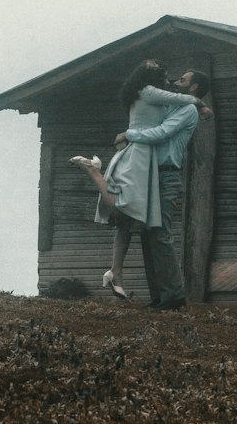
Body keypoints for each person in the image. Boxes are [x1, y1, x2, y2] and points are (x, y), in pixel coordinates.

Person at [69, 60, 211, 303]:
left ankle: (172, 298)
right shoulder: (169, 105)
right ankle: (158, 298)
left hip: (166, 175)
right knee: (147, 233)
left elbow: (160, 133)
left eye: (182, 81)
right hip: (149, 175)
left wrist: (129, 134)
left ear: (194, 87)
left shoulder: (187, 110)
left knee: (160, 234)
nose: (175, 83)